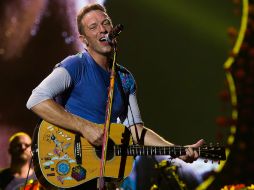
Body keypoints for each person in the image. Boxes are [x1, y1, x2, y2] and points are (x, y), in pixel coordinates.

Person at [26, 3, 204, 189]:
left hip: (102, 178)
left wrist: (177, 150)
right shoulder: (74, 65)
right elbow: (36, 99)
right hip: (70, 167)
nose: (102, 29)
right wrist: (84, 127)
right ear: (84, 39)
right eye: (93, 27)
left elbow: (136, 131)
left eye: (106, 23)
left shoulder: (125, 79)